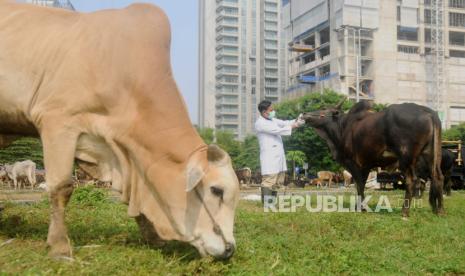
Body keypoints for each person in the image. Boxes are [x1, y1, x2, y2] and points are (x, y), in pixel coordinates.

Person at [255, 100, 305, 203]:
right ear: (265, 112)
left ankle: (272, 203)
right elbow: (278, 130)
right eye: (271, 110)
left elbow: (284, 123)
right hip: (269, 157)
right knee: (269, 181)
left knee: (278, 181)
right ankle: (267, 205)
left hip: (278, 156)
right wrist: (294, 126)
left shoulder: (272, 120)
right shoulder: (260, 123)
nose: (273, 111)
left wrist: (298, 120)